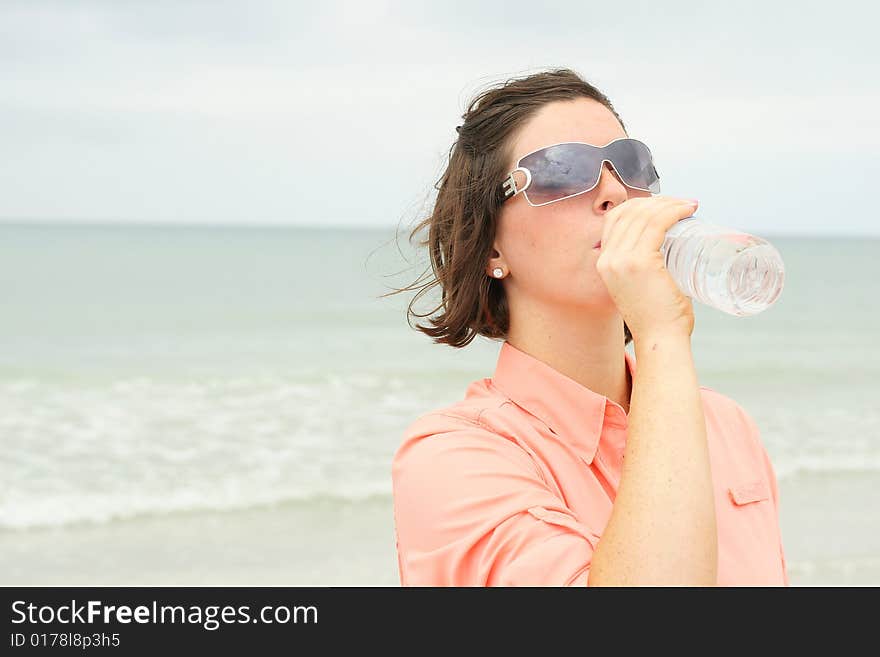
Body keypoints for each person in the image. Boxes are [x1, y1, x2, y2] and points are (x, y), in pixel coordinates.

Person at [387, 68, 788, 586]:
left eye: (630, 164)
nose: (614, 192)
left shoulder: (723, 425)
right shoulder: (453, 459)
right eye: (562, 171)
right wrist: (661, 335)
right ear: (490, 245)